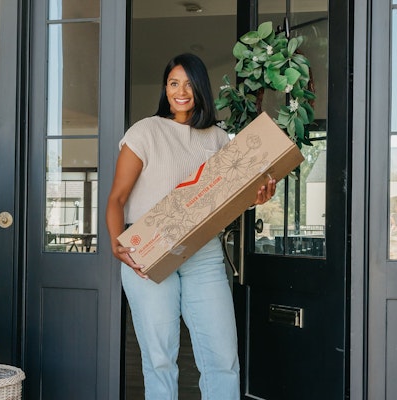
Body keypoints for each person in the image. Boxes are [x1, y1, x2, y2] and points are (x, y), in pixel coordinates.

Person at [106, 53, 276, 400]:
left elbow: (226, 199)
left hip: (204, 253)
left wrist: (257, 197)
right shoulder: (146, 131)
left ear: (201, 89)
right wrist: (114, 242)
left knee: (222, 359)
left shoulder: (218, 138)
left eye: (188, 83)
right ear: (164, 88)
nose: (180, 91)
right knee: (160, 360)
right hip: (148, 252)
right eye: (173, 83)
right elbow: (116, 198)